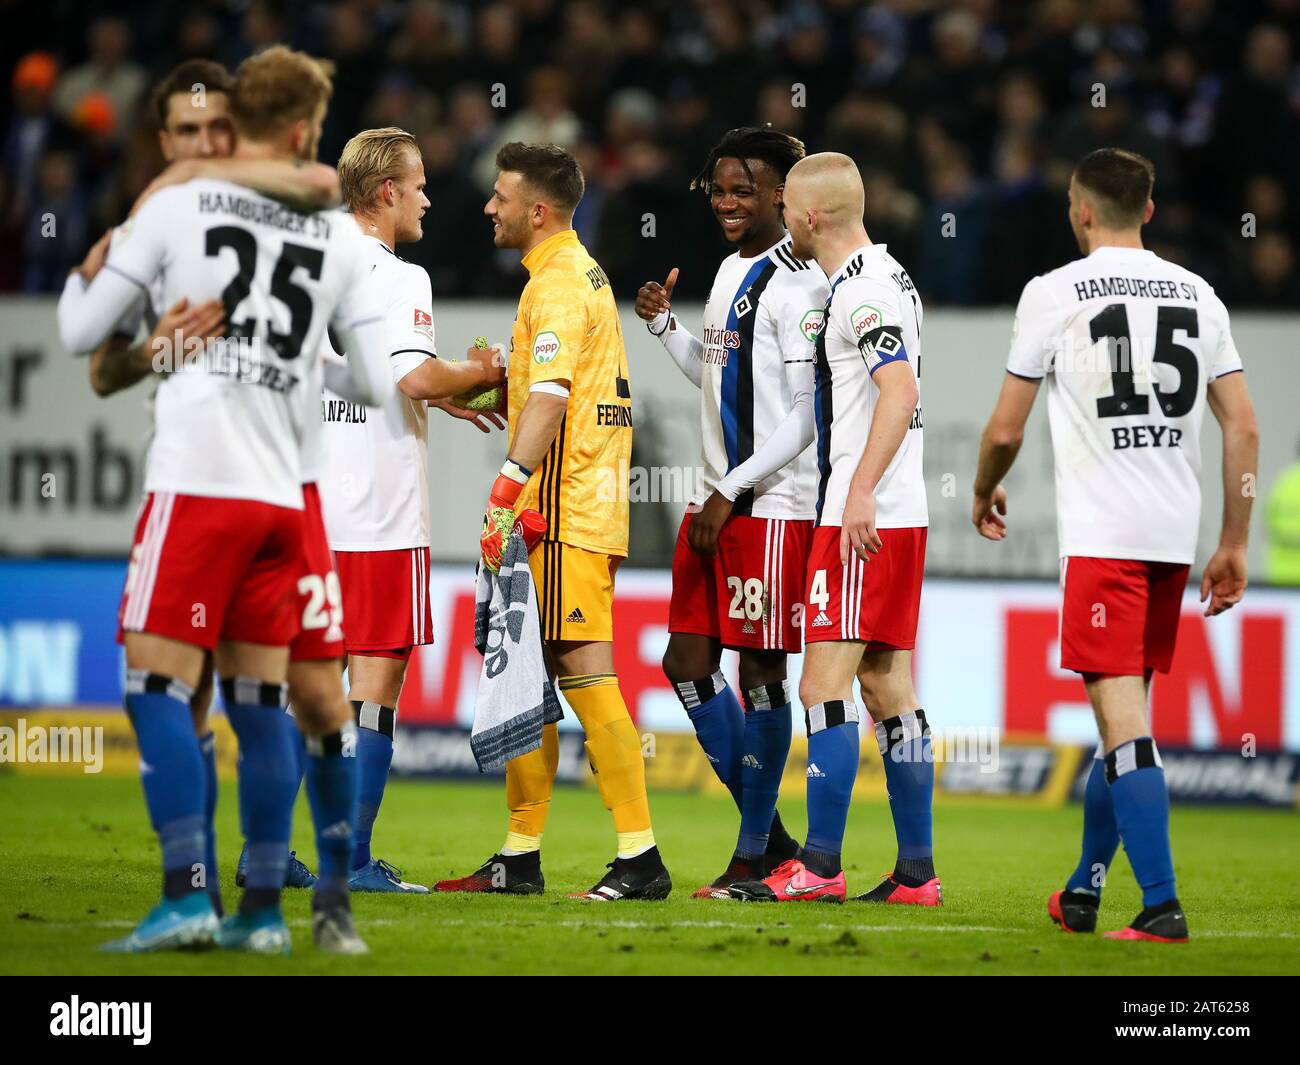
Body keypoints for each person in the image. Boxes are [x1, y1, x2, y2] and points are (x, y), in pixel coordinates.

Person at [57, 45, 395, 954]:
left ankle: (186, 895)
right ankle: (267, 913)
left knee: (156, 683)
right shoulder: (333, 233)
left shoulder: (174, 205)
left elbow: (76, 332)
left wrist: (97, 266)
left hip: (201, 485)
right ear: (299, 132)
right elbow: (368, 384)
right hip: (288, 499)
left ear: (230, 122)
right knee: (259, 697)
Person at [971, 148, 1259, 943]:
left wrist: (980, 486)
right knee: (1121, 722)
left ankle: (1162, 905)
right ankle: (1086, 887)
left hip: (1103, 539)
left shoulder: (1054, 292)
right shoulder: (1199, 293)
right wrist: (1233, 540)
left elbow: (1003, 427)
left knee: (1124, 724)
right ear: (1152, 210)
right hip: (1173, 539)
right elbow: (1243, 422)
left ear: (1080, 211)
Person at [436, 142, 671, 901]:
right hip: (561, 506)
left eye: (499, 195)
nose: (488, 206)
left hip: (565, 510)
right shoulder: (561, 275)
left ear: (537, 210)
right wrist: (483, 392)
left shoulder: (562, 281)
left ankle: (640, 856)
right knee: (532, 676)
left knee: (583, 671)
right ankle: (519, 854)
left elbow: (555, 397)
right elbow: (537, 393)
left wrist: (506, 485)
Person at [730, 152, 937, 906]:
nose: (780, 216)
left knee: (823, 685)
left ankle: (818, 864)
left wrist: (855, 490)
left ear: (811, 215)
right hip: (898, 513)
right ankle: (917, 871)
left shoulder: (859, 291)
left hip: (860, 518)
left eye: (787, 206)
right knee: (888, 685)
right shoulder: (892, 276)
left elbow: (898, 388)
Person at [633, 127, 825, 898]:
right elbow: (717, 378)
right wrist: (664, 329)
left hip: (769, 504)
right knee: (684, 661)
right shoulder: (727, 269)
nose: (727, 201)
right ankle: (771, 835)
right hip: (717, 499)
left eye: (743, 188)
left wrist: (732, 488)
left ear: (784, 192)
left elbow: (805, 416)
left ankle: (752, 853)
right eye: (718, 188)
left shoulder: (803, 284)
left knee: (763, 672)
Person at [319, 126, 504, 892]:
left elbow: (352, 372)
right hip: (379, 511)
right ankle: (353, 860)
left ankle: (268, 852)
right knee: (374, 685)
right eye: (420, 183)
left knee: (312, 689)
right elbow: (412, 380)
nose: (429, 196)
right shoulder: (402, 278)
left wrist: (438, 387)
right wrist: (479, 371)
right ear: (387, 191)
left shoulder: (312, 257)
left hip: (312, 503)